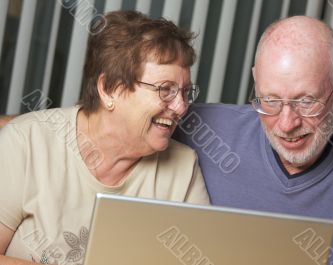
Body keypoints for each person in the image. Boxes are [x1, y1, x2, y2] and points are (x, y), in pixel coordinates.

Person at [174, 16, 333, 265]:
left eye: (306, 101)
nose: (286, 124)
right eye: (270, 100)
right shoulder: (197, 128)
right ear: (256, 81)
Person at [0, 10, 209, 265]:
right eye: (166, 90)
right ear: (110, 88)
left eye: (186, 92)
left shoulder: (183, 168)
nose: (181, 106)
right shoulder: (26, 143)